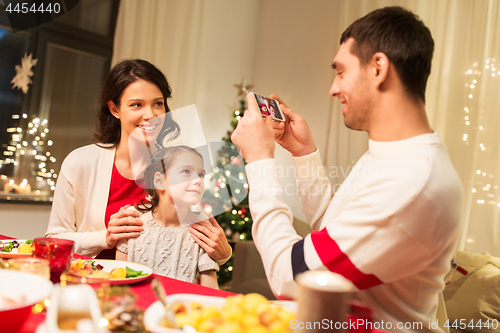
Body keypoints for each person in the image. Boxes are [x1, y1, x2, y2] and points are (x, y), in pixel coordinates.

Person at [231, 6, 463, 332]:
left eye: (340, 72)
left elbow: (291, 277)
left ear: (378, 68)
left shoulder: (411, 181)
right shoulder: (393, 156)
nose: (333, 88)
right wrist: (303, 154)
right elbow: (337, 232)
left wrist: (259, 161)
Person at [46, 59, 232, 264]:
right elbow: (53, 242)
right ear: (114, 109)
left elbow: (190, 243)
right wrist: (105, 238)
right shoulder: (80, 163)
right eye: (137, 105)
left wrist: (223, 255)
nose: (150, 115)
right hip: (96, 282)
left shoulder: (178, 168)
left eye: (158, 104)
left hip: (160, 288)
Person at [116, 146, 219, 289]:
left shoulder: (202, 226)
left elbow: (211, 289)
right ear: (159, 181)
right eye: (186, 171)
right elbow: (118, 279)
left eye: (201, 174)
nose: (198, 180)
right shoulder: (132, 219)